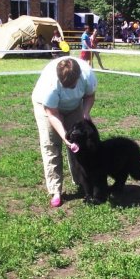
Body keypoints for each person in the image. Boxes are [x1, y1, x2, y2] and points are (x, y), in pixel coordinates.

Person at [32, 57, 97, 208]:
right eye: (66, 86)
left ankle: (81, 181)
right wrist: (65, 136)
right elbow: (52, 114)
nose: (70, 88)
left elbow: (89, 95)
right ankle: (56, 190)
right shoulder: (50, 86)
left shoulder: (87, 75)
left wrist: (86, 113)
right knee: (51, 145)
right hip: (47, 108)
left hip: (74, 107)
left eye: (73, 85)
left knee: (79, 145)